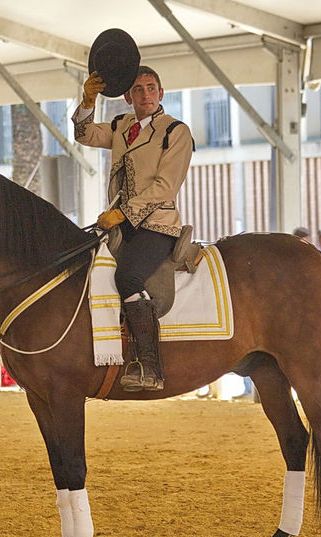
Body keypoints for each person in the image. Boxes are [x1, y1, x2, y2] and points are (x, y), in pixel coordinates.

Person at [73, 65, 194, 392]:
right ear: (128, 96)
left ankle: (151, 366)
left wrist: (123, 213)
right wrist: (88, 100)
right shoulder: (121, 125)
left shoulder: (175, 132)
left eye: (151, 88)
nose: (145, 94)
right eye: (138, 89)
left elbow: (165, 187)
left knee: (127, 276)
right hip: (120, 224)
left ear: (161, 93)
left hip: (157, 225)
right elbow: (84, 135)